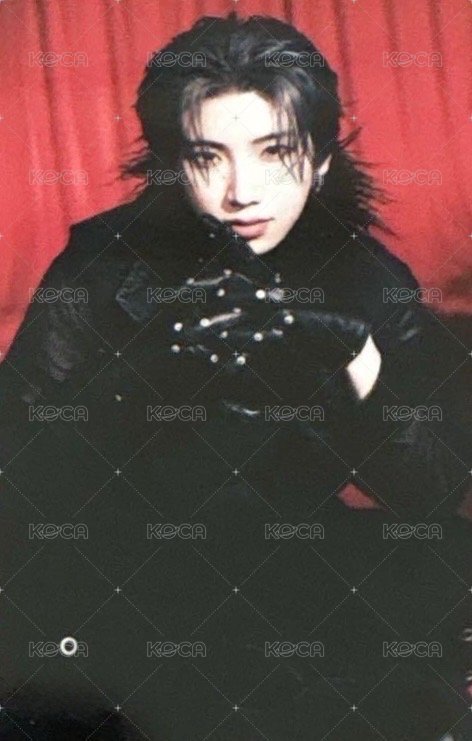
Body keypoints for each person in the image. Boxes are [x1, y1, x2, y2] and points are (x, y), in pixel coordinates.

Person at [1, 11, 471, 740]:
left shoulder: (365, 279)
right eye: (207, 157)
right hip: (121, 574)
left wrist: (356, 356)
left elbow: (433, 491)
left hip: (294, 575)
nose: (241, 191)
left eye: (274, 152)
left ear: (320, 160)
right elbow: (17, 475)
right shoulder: (104, 264)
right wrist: (136, 386)